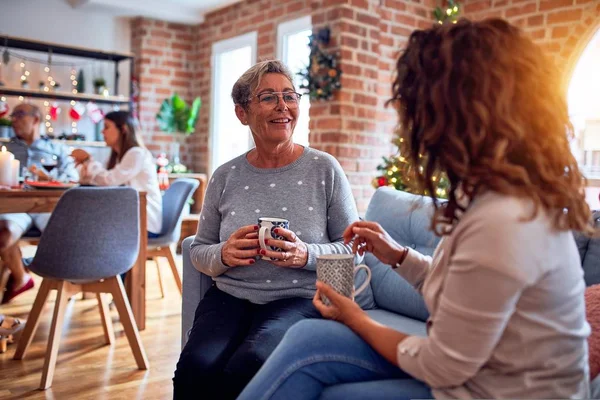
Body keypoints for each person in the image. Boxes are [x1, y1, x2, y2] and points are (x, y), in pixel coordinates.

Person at [238, 18, 594, 400]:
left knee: (325, 379)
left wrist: (355, 318)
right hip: (476, 371)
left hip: (495, 391)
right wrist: (399, 256)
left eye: (417, 104)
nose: (409, 121)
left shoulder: (504, 221)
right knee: (308, 338)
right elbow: (464, 293)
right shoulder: (495, 198)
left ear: (457, 113)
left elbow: (442, 364)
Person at [173, 60, 360, 400]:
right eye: (268, 97)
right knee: (195, 367)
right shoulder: (226, 176)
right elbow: (198, 249)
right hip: (230, 295)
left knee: (250, 362)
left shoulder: (324, 169)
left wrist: (306, 254)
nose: (283, 106)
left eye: (290, 95)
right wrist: (223, 253)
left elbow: (351, 249)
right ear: (242, 113)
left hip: (299, 299)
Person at [0, 103, 78, 303]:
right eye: (13, 115)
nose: (13, 119)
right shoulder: (5, 149)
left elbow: (72, 178)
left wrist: (47, 178)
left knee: (63, 235)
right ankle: (21, 277)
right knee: (3, 236)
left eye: (19, 115)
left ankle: (67, 285)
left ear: (35, 120)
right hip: (17, 209)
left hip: (47, 208)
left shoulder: (57, 149)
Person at [71, 111, 163, 237]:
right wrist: (86, 167)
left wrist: (88, 161)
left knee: (84, 227)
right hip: (128, 220)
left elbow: (109, 180)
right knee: (81, 224)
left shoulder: (137, 154)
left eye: (107, 127)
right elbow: (96, 179)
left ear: (123, 129)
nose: (102, 132)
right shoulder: (118, 157)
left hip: (144, 225)